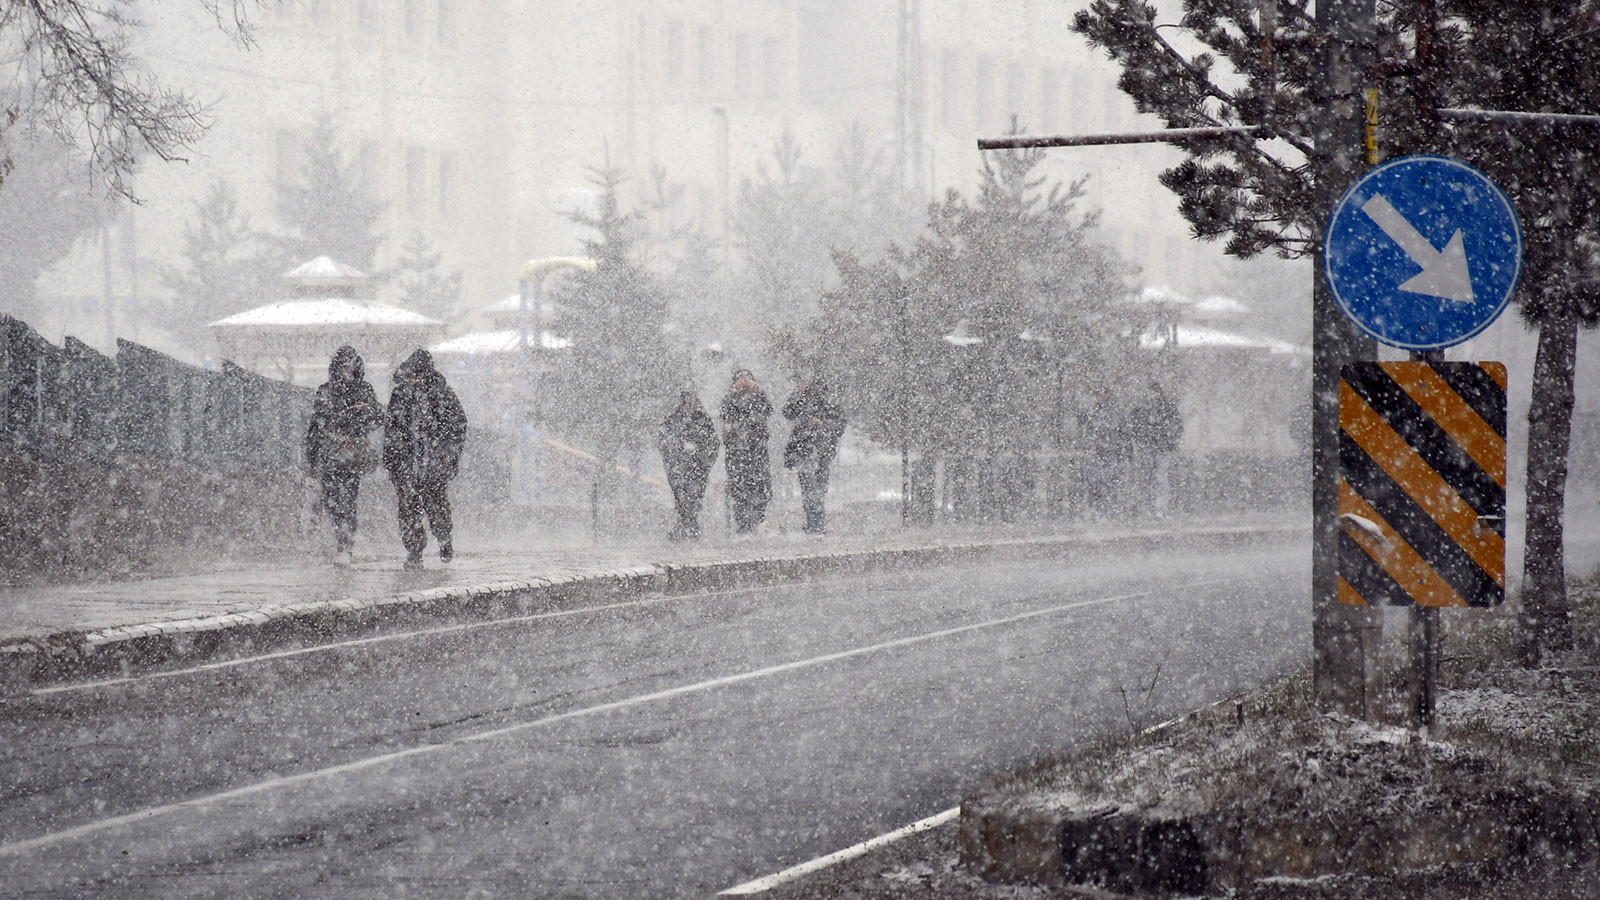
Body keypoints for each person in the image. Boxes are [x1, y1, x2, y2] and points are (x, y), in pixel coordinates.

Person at [384, 349, 468, 570]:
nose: (415, 381)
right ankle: (414, 550)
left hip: (433, 464)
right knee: (408, 508)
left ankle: (443, 540)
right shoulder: (401, 396)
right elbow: (391, 430)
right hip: (407, 464)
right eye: (413, 376)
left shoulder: (442, 394)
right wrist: (393, 460)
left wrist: (447, 455)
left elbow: (458, 426)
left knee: (436, 504)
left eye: (419, 375)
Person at [304, 346, 384, 566]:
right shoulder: (325, 391)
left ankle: (344, 547)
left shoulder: (364, 389)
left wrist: (363, 412)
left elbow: (378, 417)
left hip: (351, 457)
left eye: (350, 368)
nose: (346, 372)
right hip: (330, 456)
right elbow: (317, 426)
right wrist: (312, 459)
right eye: (343, 368)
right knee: (332, 502)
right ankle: (341, 541)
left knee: (347, 500)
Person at [782, 376, 847, 535]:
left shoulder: (830, 401)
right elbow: (787, 412)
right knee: (810, 487)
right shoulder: (801, 399)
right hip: (806, 450)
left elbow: (839, 426)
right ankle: (816, 523)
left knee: (816, 488)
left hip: (820, 451)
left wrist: (822, 424)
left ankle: (815, 523)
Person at [658, 390, 720, 541]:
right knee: (681, 496)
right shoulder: (673, 421)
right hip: (679, 467)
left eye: (693, 403)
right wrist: (677, 457)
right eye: (688, 403)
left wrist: (702, 459)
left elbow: (713, 443)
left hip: (698, 467)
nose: (691, 406)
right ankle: (687, 525)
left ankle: (688, 525)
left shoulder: (704, 421)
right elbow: (664, 442)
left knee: (694, 496)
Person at [719, 368, 773, 534]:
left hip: (757, 450)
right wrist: (733, 393)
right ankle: (743, 524)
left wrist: (757, 390)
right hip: (736, 452)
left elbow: (768, 410)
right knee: (739, 488)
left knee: (761, 486)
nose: (744, 382)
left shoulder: (758, 398)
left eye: (747, 379)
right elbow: (724, 414)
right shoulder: (730, 399)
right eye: (740, 379)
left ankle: (757, 519)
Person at [1128, 379, 1183, 518]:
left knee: (1155, 478)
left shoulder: (1151, 408)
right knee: (1155, 478)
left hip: (1156, 447)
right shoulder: (1162, 408)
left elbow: (1176, 426)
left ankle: (1156, 508)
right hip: (1154, 447)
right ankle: (1154, 508)